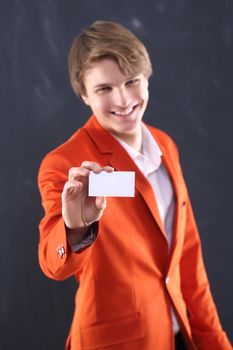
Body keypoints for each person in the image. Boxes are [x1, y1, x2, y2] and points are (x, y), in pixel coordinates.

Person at [37, 21, 232, 350]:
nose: (124, 99)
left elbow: (187, 258)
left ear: (147, 79)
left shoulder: (166, 146)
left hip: (180, 332)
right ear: (84, 94)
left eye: (132, 81)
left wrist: (215, 342)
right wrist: (75, 228)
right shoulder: (64, 163)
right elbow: (53, 264)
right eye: (105, 89)